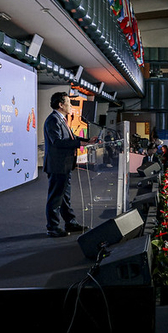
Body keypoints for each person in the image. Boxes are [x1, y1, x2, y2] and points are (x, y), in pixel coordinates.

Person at [43, 92, 98, 237]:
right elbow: (58, 142)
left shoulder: (61, 119)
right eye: (69, 103)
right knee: (55, 198)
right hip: (57, 166)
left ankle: (70, 222)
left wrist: (87, 140)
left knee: (65, 197)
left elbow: (71, 137)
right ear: (61, 105)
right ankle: (53, 227)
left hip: (65, 165)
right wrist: (81, 143)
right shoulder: (53, 120)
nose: (71, 106)